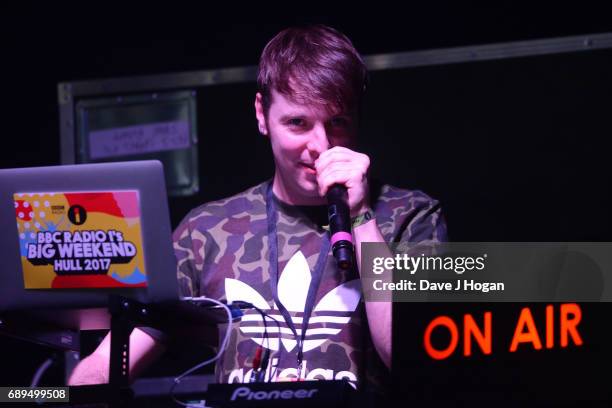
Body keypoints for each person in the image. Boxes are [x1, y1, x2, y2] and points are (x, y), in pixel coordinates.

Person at [68, 24, 447, 390]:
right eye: (298, 123)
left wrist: (361, 214)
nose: (320, 145)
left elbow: (413, 357)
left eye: (337, 122)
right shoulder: (207, 231)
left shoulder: (411, 216)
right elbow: (109, 365)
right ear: (261, 115)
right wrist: (72, 392)